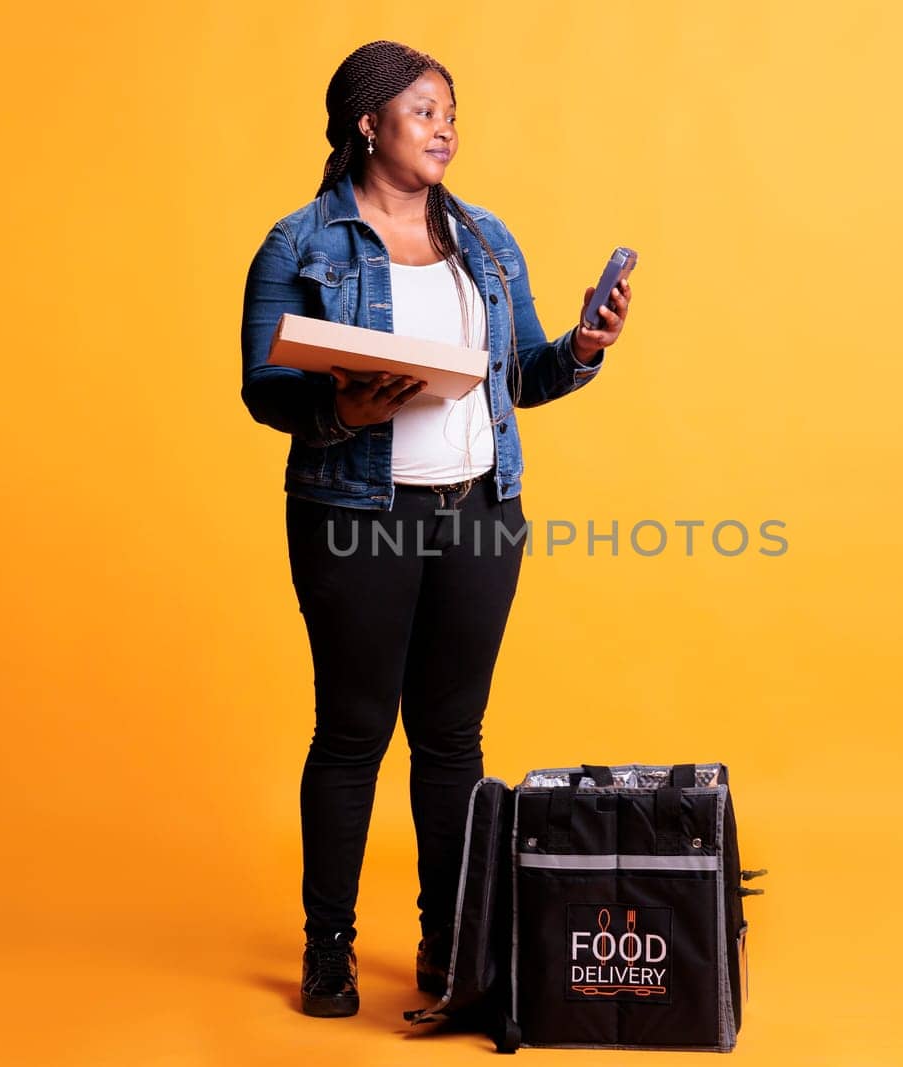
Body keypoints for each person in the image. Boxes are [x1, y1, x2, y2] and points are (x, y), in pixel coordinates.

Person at [238, 40, 632, 1018]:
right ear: (367, 122)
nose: (445, 124)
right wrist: (349, 413)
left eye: (451, 109)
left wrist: (579, 349)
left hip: (480, 511)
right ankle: (328, 948)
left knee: (452, 737)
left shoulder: (486, 238)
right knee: (354, 731)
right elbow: (265, 387)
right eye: (423, 109)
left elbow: (521, 378)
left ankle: (448, 945)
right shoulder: (301, 242)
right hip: (355, 514)